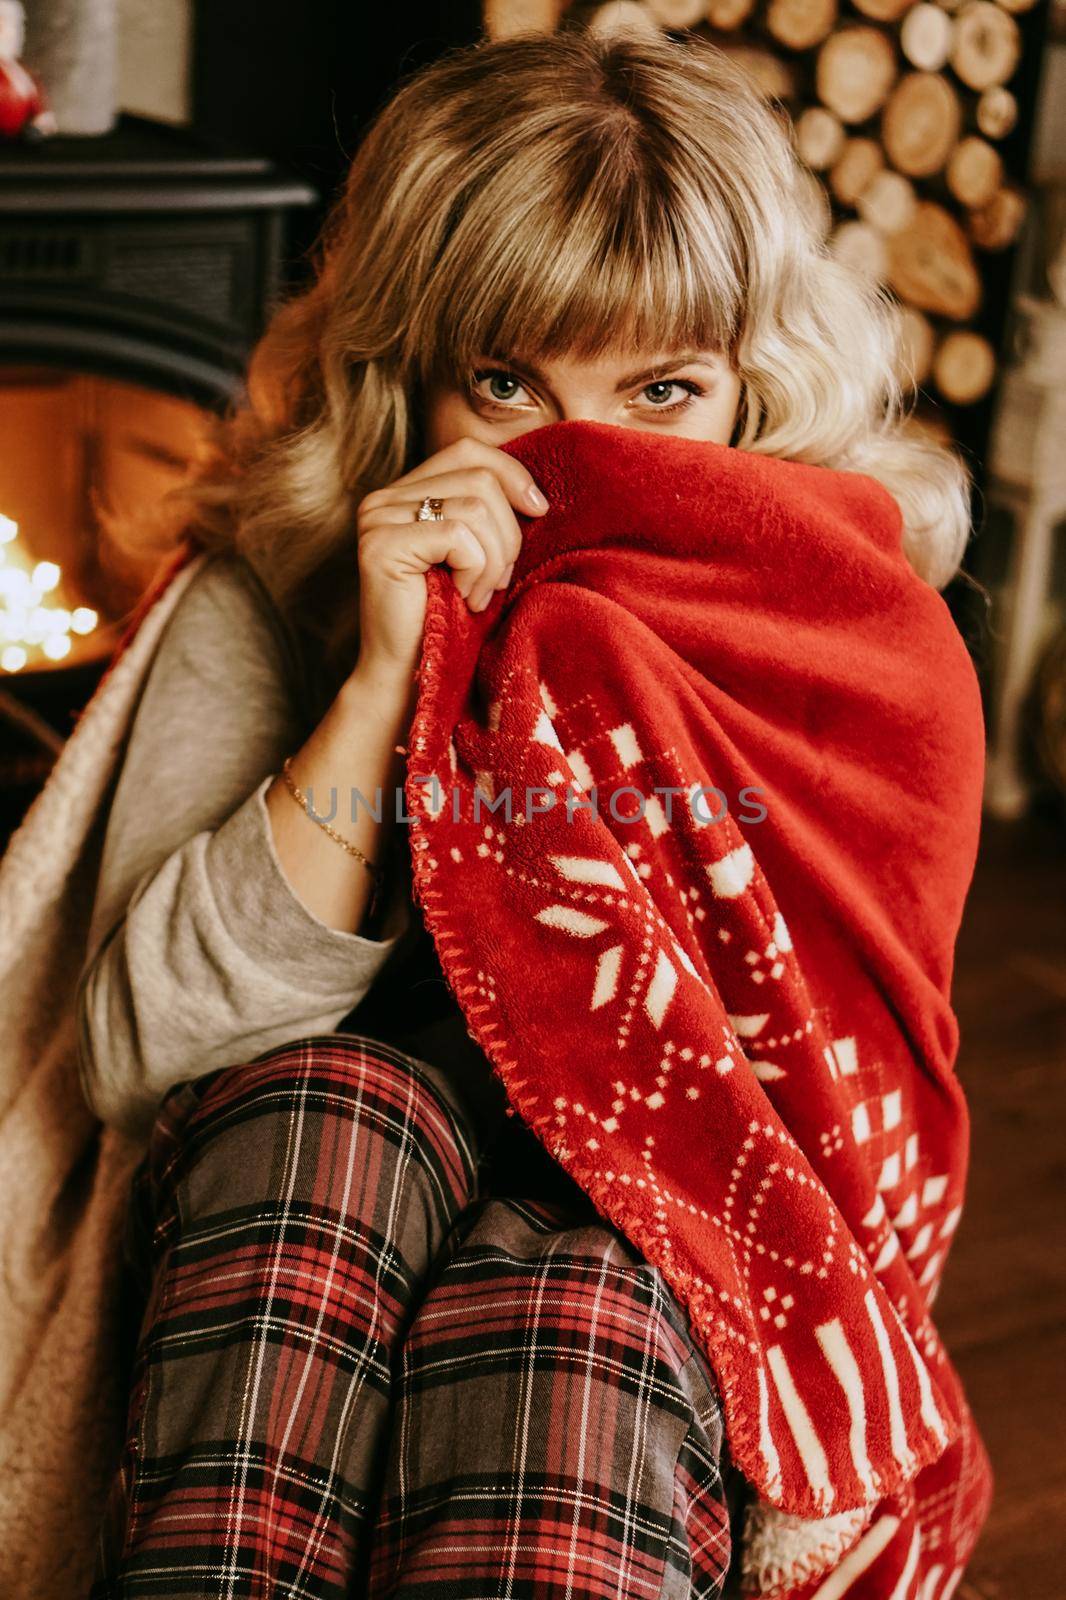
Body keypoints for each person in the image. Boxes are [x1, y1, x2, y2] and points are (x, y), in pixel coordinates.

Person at [81, 25, 972, 1599]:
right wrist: (379, 685)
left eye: (664, 390)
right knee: (328, 1120)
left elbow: (837, 1106)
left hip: (656, 1264)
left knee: (572, 1301)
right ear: (400, 374)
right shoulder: (271, 593)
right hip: (296, 1206)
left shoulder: (841, 638)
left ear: (754, 383)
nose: (578, 458)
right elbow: (132, 1052)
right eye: (502, 383)